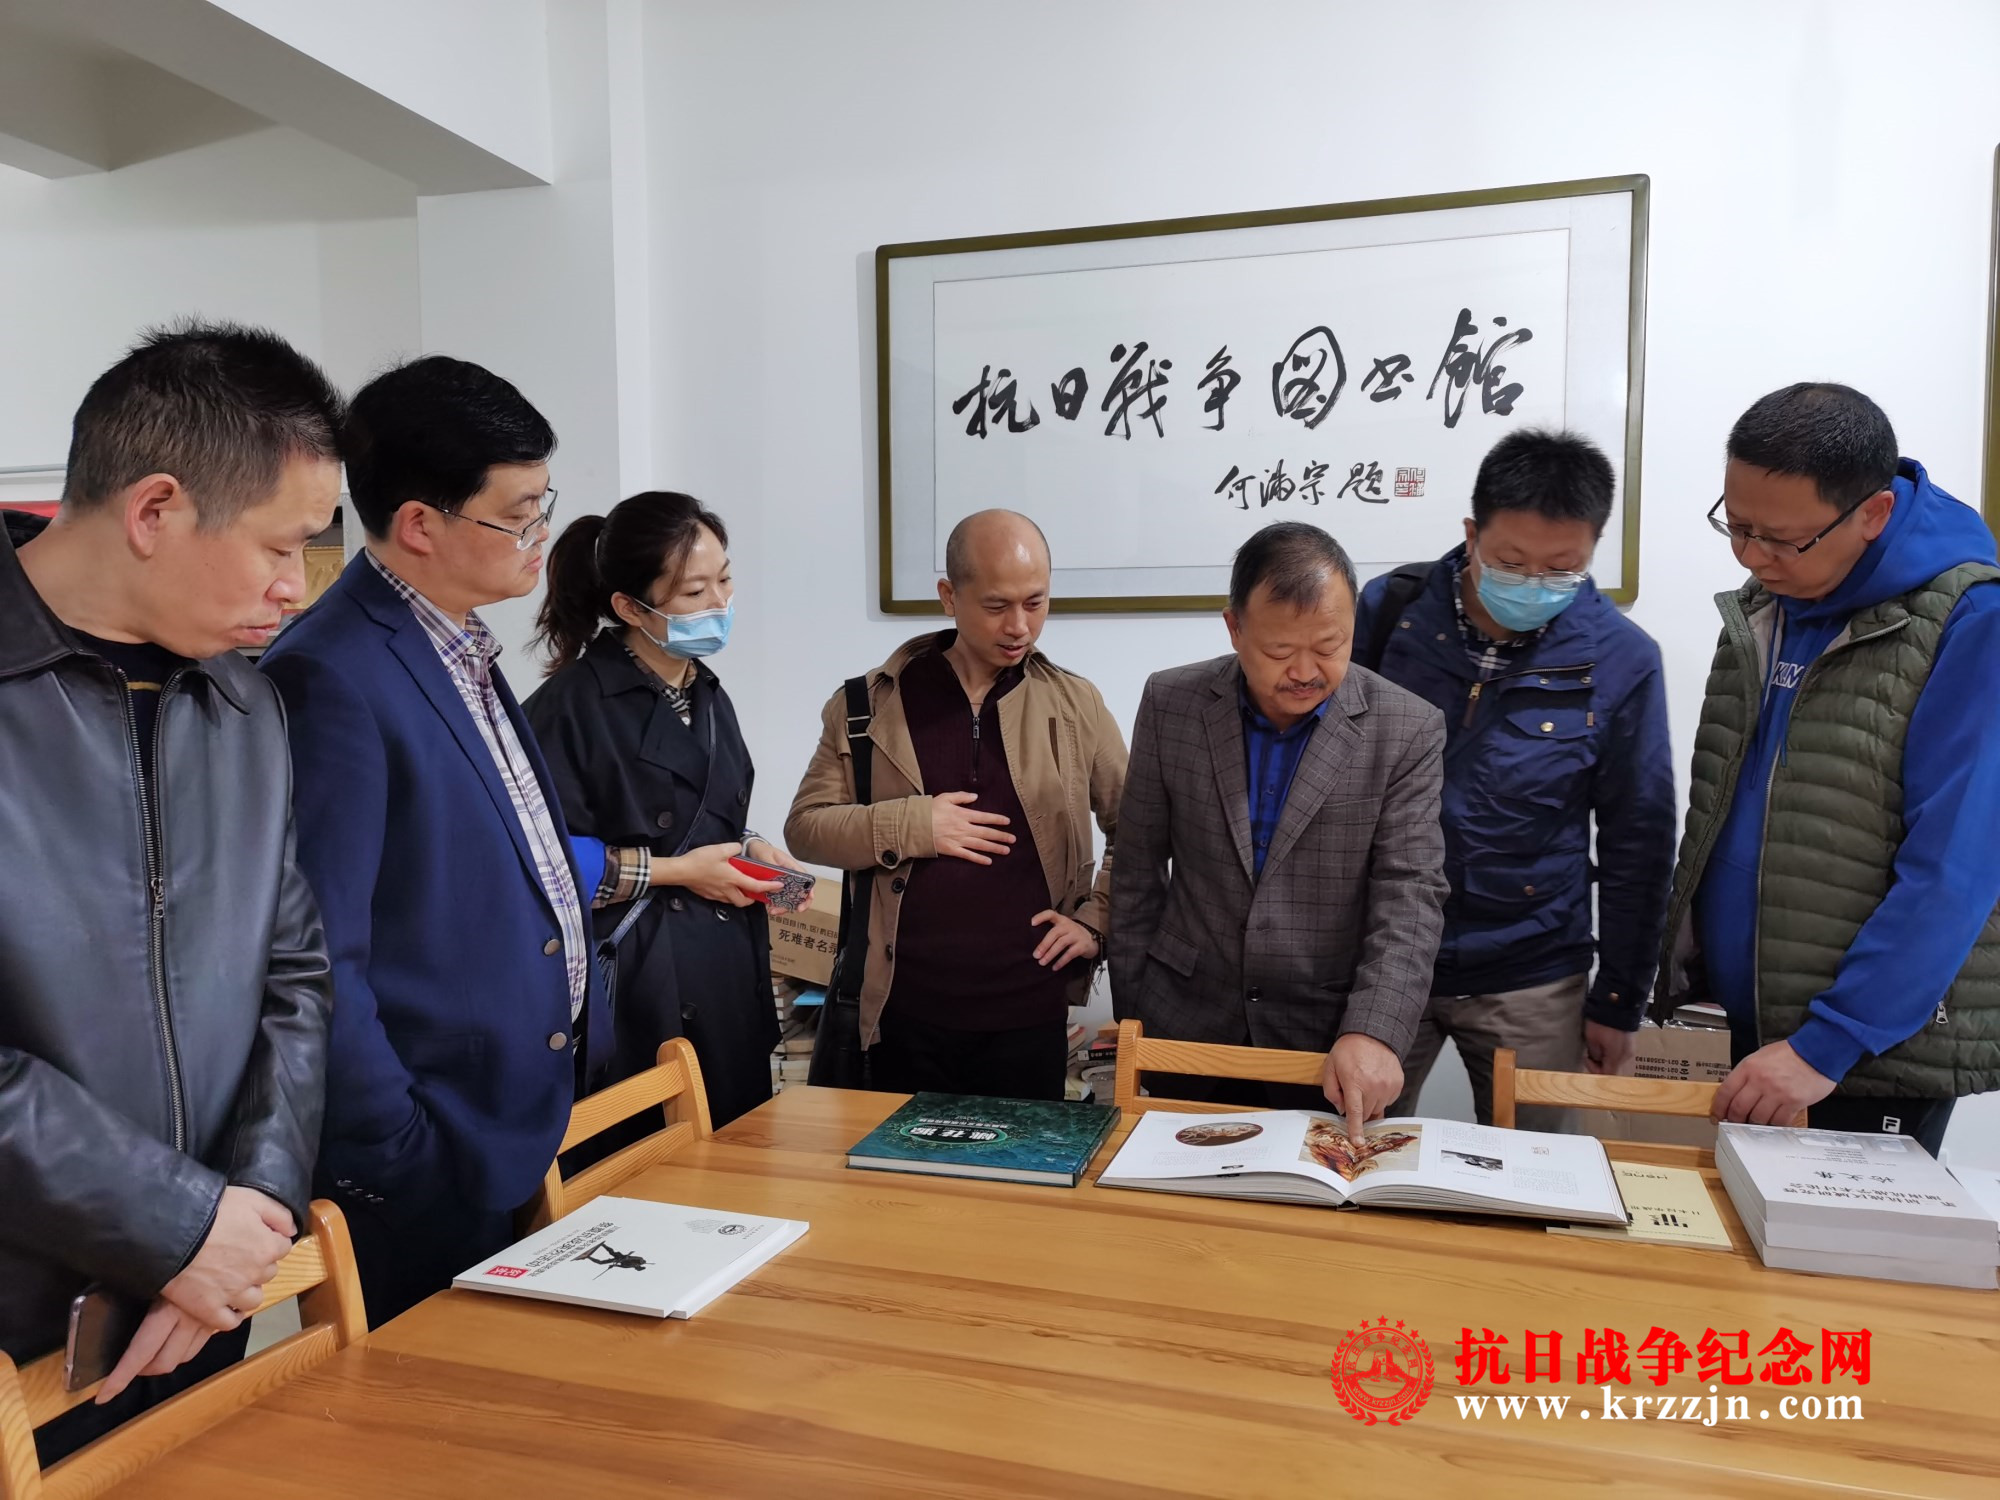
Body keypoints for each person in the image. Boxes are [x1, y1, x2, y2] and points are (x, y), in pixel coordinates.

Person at [2, 322, 335, 1463]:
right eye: (280, 547)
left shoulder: (243, 704)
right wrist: (175, 1223)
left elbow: (291, 973)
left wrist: (250, 1218)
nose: (296, 588)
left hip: (196, 1307)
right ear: (154, 510)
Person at [260, 356, 610, 1327]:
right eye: (519, 515)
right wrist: (397, 1149)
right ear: (420, 523)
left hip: (509, 1121)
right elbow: (319, 953)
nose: (541, 537)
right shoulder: (330, 675)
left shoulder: (455, 641)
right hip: (430, 1152)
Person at [1659, 382, 2000, 1157]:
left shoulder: (1969, 621)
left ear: (1873, 514)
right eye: (1736, 526)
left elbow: (1956, 869)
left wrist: (1829, 1043)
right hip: (1749, 1029)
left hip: (1861, 1056)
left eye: (1781, 539)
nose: (1752, 557)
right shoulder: (1768, 603)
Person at [1354, 430, 1675, 1129]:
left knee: (1539, 1170)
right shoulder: (1389, 615)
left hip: (1534, 969)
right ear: (1472, 534)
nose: (1532, 583)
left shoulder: (1623, 659)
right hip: (1384, 957)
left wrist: (1620, 999)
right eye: (1510, 562)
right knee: (1353, 1151)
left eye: (1561, 568)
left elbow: (1639, 840)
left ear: (1593, 549)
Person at [1109, 522, 1447, 1139]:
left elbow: (1410, 894)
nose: (1305, 671)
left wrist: (1373, 1029)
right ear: (1234, 628)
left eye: (1329, 645)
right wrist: (1135, 1015)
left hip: (1327, 1041)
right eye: (1279, 650)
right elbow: (1137, 870)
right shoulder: (1171, 701)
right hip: (1184, 1027)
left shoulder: (1406, 728)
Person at [785, 509, 1126, 1101]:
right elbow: (806, 828)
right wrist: (916, 823)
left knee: (1021, 1163)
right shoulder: (868, 704)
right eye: (996, 606)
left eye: (1036, 603)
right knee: (896, 1164)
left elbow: (1140, 830)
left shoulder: (1076, 705)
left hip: (1028, 1012)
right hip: (900, 1014)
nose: (1019, 626)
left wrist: (1096, 920)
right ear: (949, 596)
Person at [525, 492, 787, 1130]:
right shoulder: (569, 707)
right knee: (652, 1159)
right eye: (694, 591)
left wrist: (749, 845)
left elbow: (694, 806)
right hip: (641, 982)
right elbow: (540, 865)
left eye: (724, 579)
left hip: (725, 969)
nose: (719, 603)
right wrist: (678, 872)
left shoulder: (705, 690)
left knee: (739, 1151)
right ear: (629, 607)